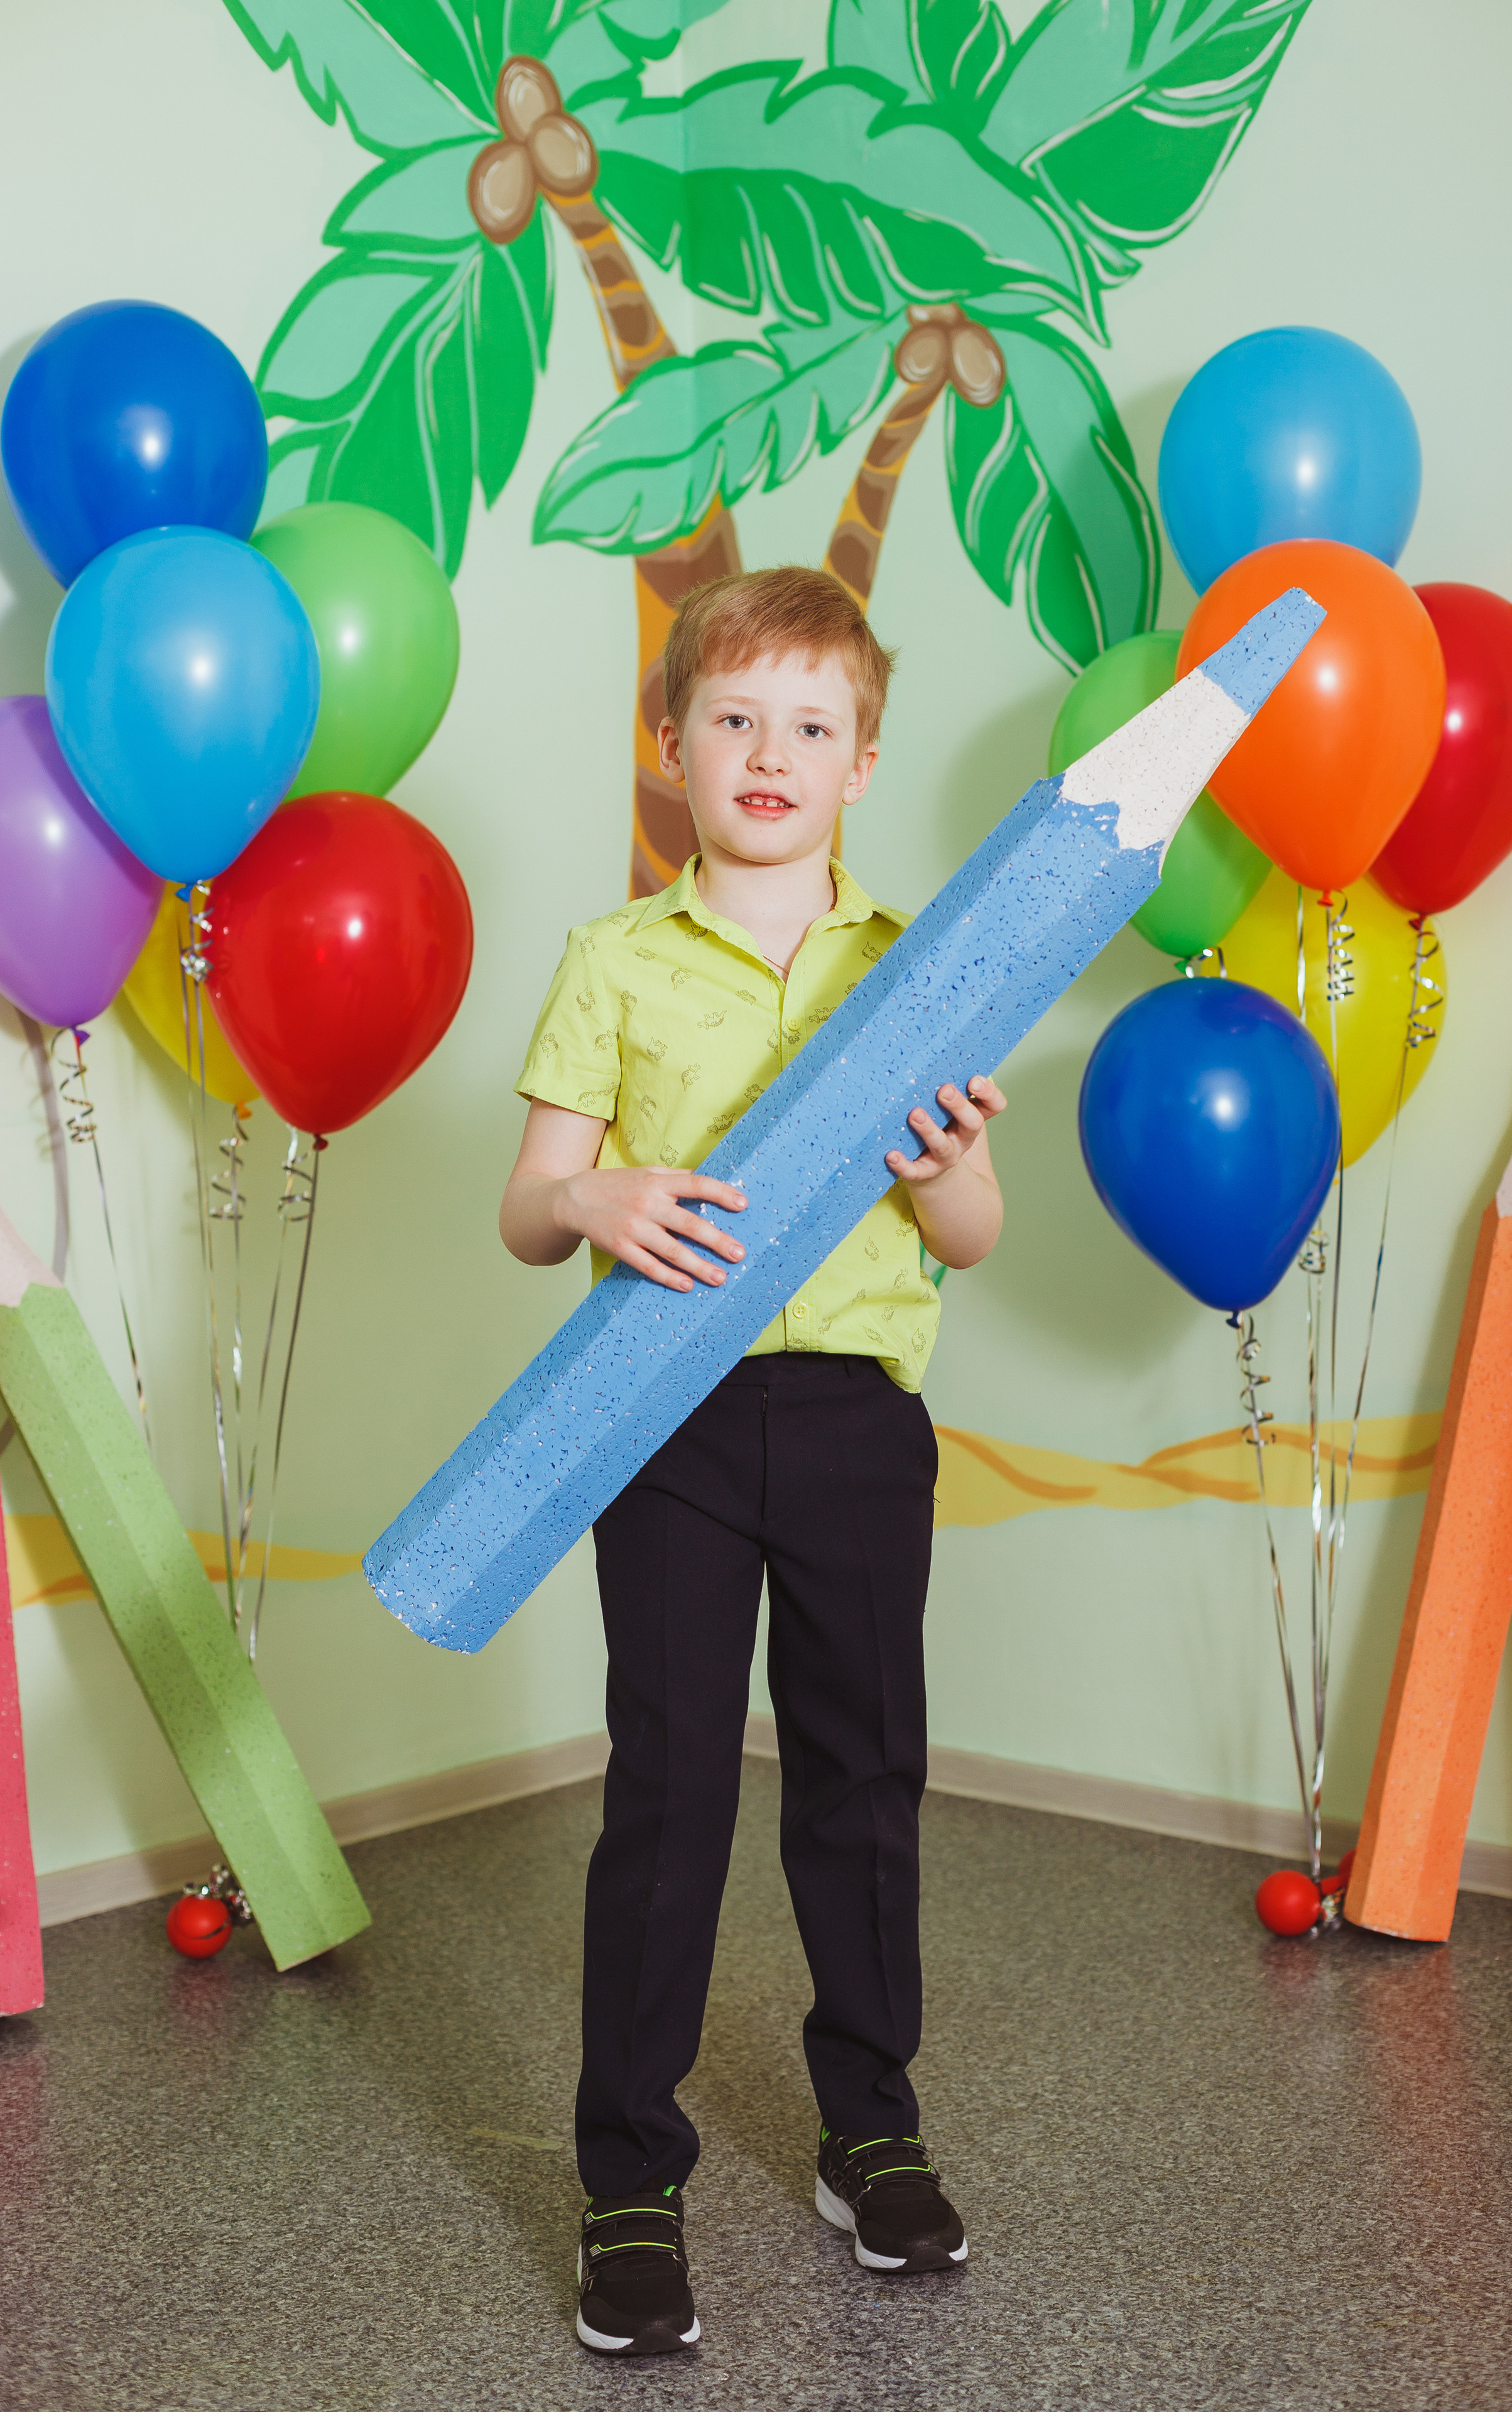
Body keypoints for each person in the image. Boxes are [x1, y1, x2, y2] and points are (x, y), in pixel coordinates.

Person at [499, 565, 1006, 2359]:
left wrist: (945, 1156)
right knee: (672, 1788)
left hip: (861, 1418)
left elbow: (975, 1229)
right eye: (733, 718)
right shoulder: (610, 959)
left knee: (866, 1781)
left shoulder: (920, 970)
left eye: (811, 725)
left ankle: (869, 2124)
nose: (769, 751)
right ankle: (628, 2171)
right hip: (669, 1419)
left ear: (865, 760)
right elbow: (524, 1217)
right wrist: (591, 1193)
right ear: (672, 748)